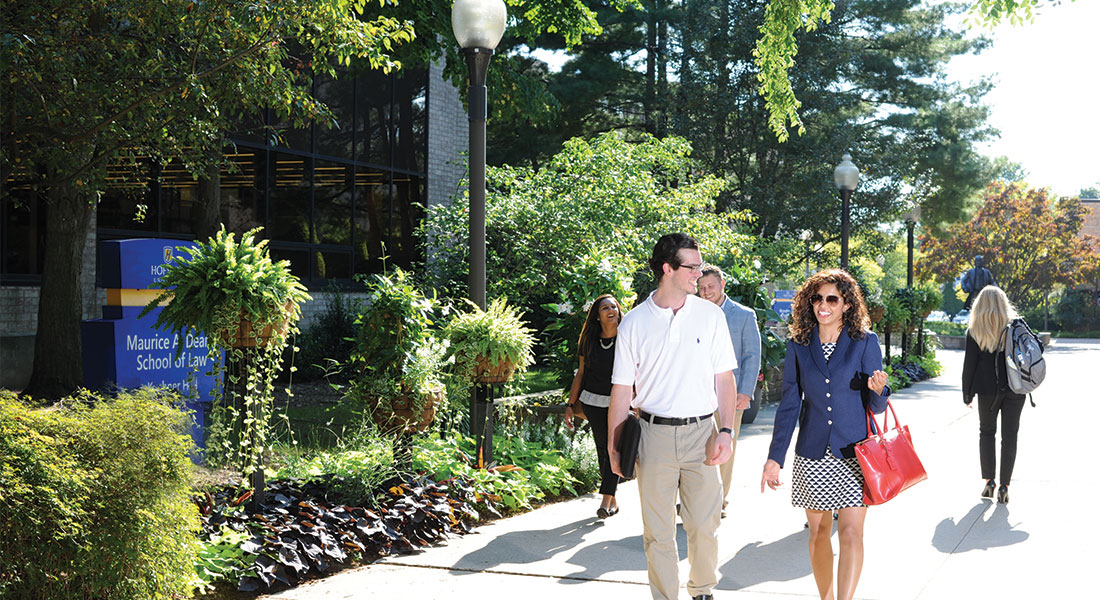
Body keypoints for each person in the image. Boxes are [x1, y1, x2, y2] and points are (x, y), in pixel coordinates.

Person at [608, 233, 746, 600]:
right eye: (692, 267)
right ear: (668, 269)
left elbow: (724, 378)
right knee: (658, 531)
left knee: (705, 524)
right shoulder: (634, 323)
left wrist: (726, 430)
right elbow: (622, 390)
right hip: (652, 436)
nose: (699, 274)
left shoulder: (710, 315)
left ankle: (702, 591)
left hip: (702, 431)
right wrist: (613, 446)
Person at [760, 269, 890, 600]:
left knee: (850, 534)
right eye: (817, 298)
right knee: (818, 534)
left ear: (846, 304)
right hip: (813, 452)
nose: (823, 305)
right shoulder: (799, 345)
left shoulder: (865, 342)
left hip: (854, 453)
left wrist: (879, 390)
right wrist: (775, 458)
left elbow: (876, 407)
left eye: (832, 299)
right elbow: (789, 405)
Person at [697, 265, 761, 518]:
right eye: (701, 288)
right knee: (698, 447)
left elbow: (752, 355)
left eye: (710, 287)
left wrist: (745, 391)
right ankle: (698, 498)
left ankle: (720, 500)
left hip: (730, 394)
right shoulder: (692, 313)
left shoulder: (744, 315)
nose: (706, 292)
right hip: (697, 393)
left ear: (722, 284)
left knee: (725, 445)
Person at [961, 285, 1025, 504]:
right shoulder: (1014, 327)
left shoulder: (975, 330)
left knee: (986, 433)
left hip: (987, 390)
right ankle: (1005, 486)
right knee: (1010, 437)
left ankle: (989, 482)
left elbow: (969, 365)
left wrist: (967, 393)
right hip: (1015, 388)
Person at [565, 294, 625, 519]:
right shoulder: (589, 340)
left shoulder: (627, 338)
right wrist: (570, 404)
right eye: (605, 308)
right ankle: (612, 499)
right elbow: (581, 373)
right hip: (592, 402)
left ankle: (606, 500)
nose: (611, 310)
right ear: (597, 316)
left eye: (614, 306)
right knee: (603, 448)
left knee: (613, 447)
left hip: (618, 402)